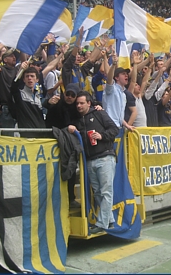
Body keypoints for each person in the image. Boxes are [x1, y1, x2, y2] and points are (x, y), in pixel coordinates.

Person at [68, 91, 119, 234]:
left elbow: (114, 129)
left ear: (89, 103)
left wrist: (102, 136)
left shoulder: (99, 113)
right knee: (98, 193)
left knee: (106, 192)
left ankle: (102, 223)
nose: (79, 105)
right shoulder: (77, 120)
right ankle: (109, 221)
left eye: (82, 103)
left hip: (105, 157)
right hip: (90, 161)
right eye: (77, 103)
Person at [10, 62, 45, 137]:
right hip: (25, 136)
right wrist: (20, 70)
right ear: (23, 79)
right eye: (27, 76)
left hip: (39, 137)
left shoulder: (38, 97)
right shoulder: (20, 94)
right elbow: (13, 87)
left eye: (32, 76)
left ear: (37, 79)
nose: (29, 78)